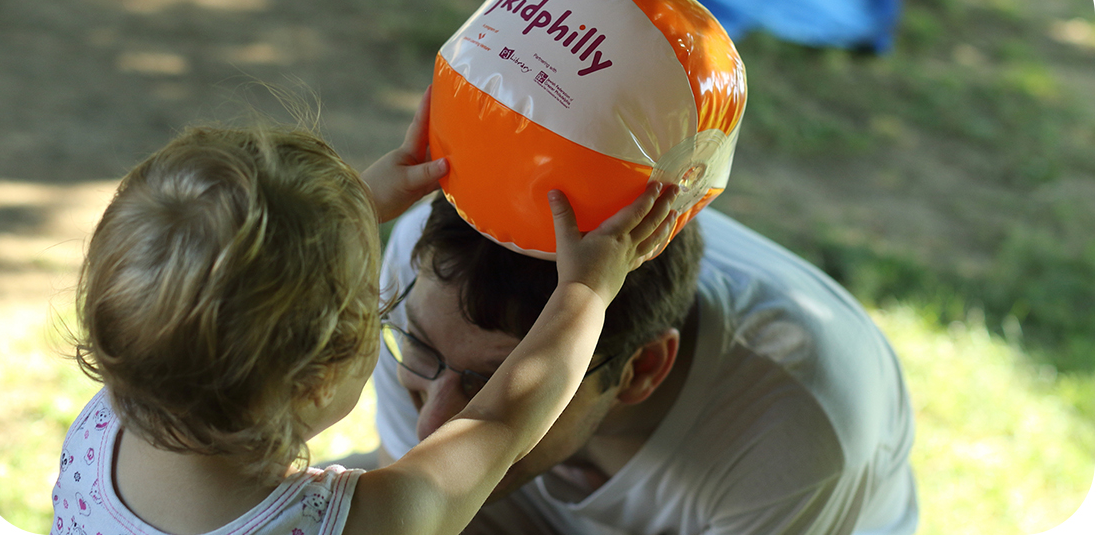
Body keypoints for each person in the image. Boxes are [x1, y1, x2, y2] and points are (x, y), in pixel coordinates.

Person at [50, 105, 681, 534]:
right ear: (318, 384)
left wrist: (350, 207)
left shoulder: (117, 409)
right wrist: (585, 291)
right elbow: (499, 421)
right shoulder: (367, 521)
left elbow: (213, 286)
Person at [366, 185, 920, 533]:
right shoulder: (426, 269)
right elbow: (420, 518)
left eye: (492, 381)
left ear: (644, 368)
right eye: (420, 350)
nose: (431, 426)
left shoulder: (794, 423)